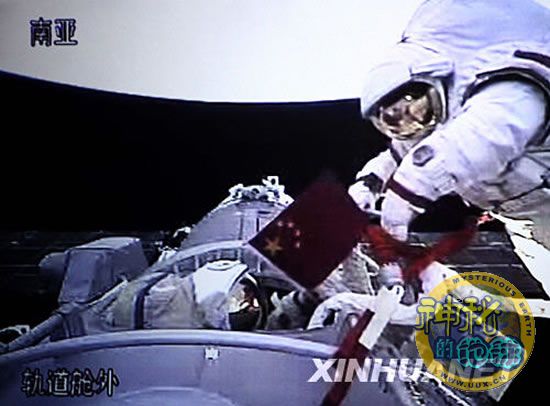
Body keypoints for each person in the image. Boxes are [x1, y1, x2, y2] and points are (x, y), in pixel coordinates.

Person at [348, 0, 550, 297]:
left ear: (431, 80)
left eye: (412, 108)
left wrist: (401, 204)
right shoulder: (440, 119)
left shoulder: (510, 89)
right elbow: (397, 156)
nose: (411, 122)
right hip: (525, 224)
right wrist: (367, 186)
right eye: (395, 122)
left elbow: (479, 141)